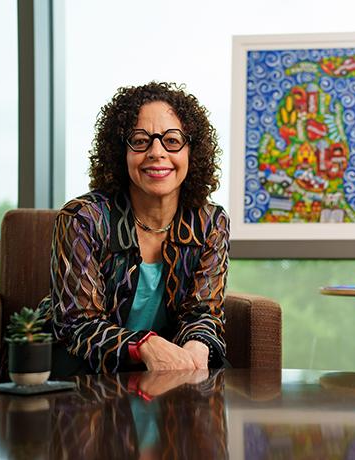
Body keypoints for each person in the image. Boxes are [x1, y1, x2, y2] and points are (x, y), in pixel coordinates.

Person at [38, 81, 229, 376]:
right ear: (120, 153)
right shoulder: (83, 218)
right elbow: (77, 325)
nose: (156, 152)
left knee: (216, 376)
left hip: (163, 366)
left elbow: (203, 311)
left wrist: (197, 345)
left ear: (192, 151)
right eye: (140, 141)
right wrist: (143, 345)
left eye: (172, 141)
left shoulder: (210, 222)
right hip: (75, 363)